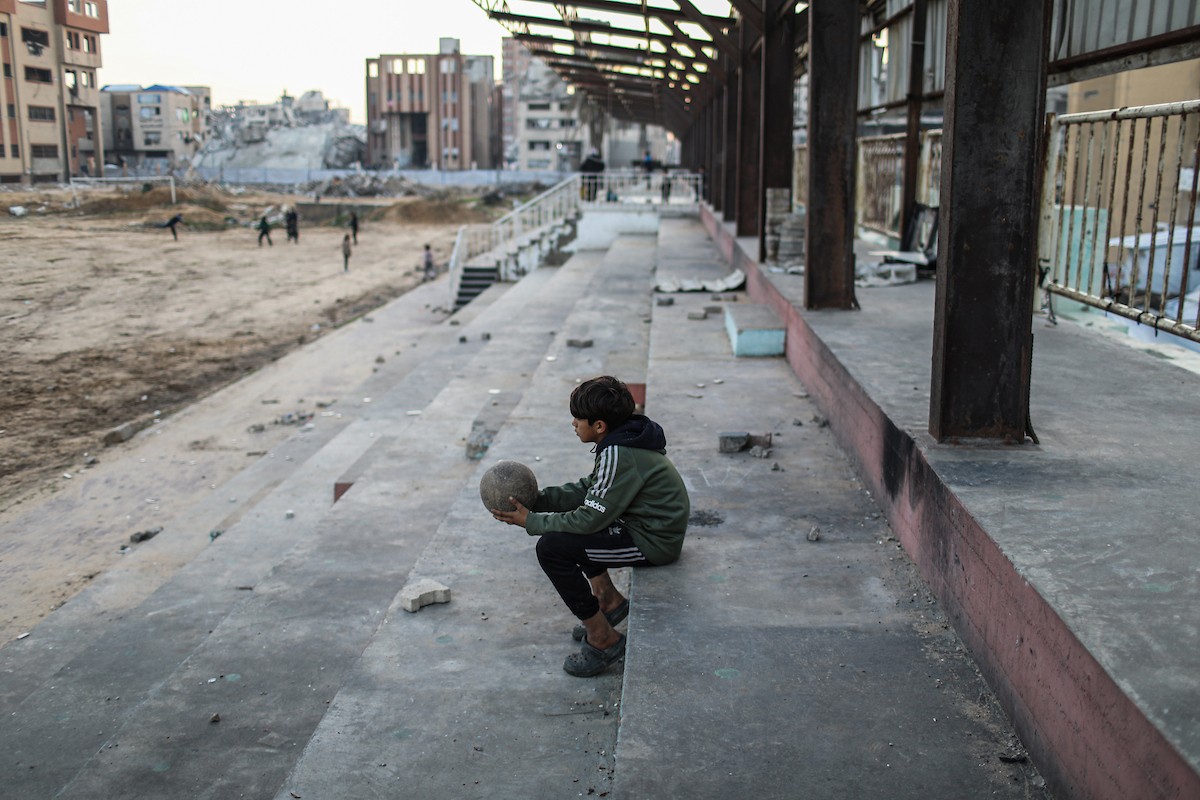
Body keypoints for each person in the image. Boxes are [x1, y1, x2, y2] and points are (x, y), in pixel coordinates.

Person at [491, 376, 690, 677]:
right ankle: (608, 601)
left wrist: (531, 522)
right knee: (567, 533)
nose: (573, 424)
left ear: (599, 426)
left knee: (552, 548)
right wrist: (541, 501)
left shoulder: (619, 453)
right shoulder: (622, 440)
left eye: (578, 419)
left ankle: (602, 638)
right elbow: (590, 490)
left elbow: (589, 518)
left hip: (653, 541)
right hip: (648, 528)